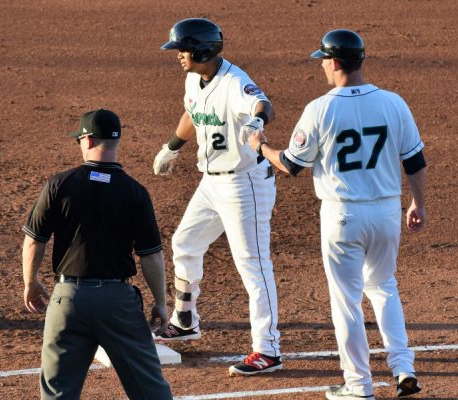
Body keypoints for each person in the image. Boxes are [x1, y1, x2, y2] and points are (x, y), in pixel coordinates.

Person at [248, 30, 426, 399]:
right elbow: (414, 159)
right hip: (387, 211)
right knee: (384, 287)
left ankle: (358, 385)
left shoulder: (320, 108)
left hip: (342, 216)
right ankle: (403, 367)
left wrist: (261, 146)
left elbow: (291, 164)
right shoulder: (394, 102)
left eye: (323, 61)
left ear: (333, 62)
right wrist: (418, 203)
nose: (323, 67)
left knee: (346, 299)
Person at [152, 18, 282, 376]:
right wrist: (172, 146)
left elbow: (262, 104)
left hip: (245, 185)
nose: (177, 55)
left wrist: (257, 123)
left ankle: (268, 350)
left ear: (203, 50)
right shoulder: (194, 77)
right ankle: (185, 321)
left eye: (182, 49)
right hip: (211, 182)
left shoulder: (235, 82)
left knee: (253, 265)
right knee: (185, 242)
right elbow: (193, 113)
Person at [22, 109, 173, 399]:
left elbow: (33, 241)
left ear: (88, 140)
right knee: (151, 391)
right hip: (118, 303)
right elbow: (151, 255)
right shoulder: (135, 192)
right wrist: (161, 303)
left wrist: (31, 282)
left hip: (68, 300)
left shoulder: (59, 184)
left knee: (57, 394)